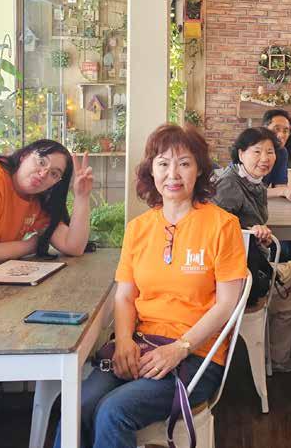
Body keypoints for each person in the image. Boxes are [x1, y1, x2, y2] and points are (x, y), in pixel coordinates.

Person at [53, 124, 247, 448]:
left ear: (199, 170)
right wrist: (123, 341)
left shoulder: (222, 225)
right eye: (163, 163)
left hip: (196, 356)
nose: (173, 174)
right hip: (140, 345)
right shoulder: (138, 228)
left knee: (113, 412)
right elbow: (125, 295)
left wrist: (180, 348)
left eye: (184, 163)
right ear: (151, 171)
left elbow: (227, 304)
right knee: (77, 407)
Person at [213, 126, 291, 373]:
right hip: (238, 278)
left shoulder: (252, 181)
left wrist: (255, 236)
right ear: (240, 153)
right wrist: (249, 234)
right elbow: (215, 230)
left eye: (270, 152)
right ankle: (277, 355)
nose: (265, 158)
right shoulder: (229, 185)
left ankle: (272, 354)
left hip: (249, 266)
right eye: (257, 151)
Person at [0, 139, 94, 267]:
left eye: (54, 174)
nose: (43, 174)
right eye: (41, 162)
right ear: (24, 156)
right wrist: (34, 244)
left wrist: (82, 196)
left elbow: (73, 247)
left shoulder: (36, 199)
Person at [261, 109, 291, 202]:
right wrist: (282, 191)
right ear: (264, 129)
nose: (281, 135)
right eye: (276, 129)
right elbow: (246, 191)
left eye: (285, 131)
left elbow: (280, 186)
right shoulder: (251, 150)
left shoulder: (281, 152)